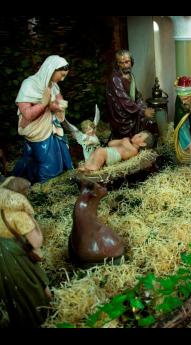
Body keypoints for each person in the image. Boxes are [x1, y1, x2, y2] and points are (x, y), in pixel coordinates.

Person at [13, 55, 73, 184]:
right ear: (51, 70)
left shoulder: (53, 85)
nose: (62, 79)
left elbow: (59, 102)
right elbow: (28, 115)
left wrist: (58, 105)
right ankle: (45, 187)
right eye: (61, 75)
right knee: (48, 164)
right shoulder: (29, 84)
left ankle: (60, 181)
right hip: (37, 131)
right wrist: (44, 104)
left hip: (52, 127)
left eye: (64, 76)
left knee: (61, 154)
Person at [0, 176, 52, 328]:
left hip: (2, 256)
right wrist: (32, 218)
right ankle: (40, 317)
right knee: (32, 285)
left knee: (12, 292)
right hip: (16, 256)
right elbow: (37, 242)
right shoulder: (18, 214)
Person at [106, 50, 156, 140]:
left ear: (131, 61)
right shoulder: (115, 78)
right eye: (121, 63)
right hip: (122, 116)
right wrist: (142, 111)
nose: (125, 65)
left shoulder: (130, 76)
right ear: (117, 64)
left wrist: (144, 107)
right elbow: (124, 101)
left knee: (149, 122)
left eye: (127, 62)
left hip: (132, 109)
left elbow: (137, 95)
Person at [78, 130, 154, 172]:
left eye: (140, 136)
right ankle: (87, 165)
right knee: (98, 150)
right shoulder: (126, 142)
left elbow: (125, 144)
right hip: (111, 151)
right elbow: (110, 144)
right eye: (138, 133)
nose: (136, 134)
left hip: (115, 156)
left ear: (142, 144)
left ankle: (93, 168)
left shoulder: (134, 150)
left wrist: (124, 140)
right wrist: (121, 140)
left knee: (100, 151)